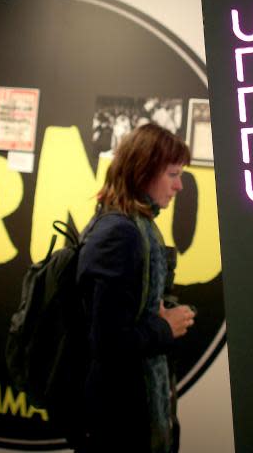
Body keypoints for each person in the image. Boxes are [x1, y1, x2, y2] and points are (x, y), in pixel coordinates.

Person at [76, 123, 196, 453]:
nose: (180, 185)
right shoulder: (121, 233)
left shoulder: (132, 226)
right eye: (172, 173)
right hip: (120, 421)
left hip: (130, 412)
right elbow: (108, 341)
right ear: (143, 172)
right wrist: (163, 328)